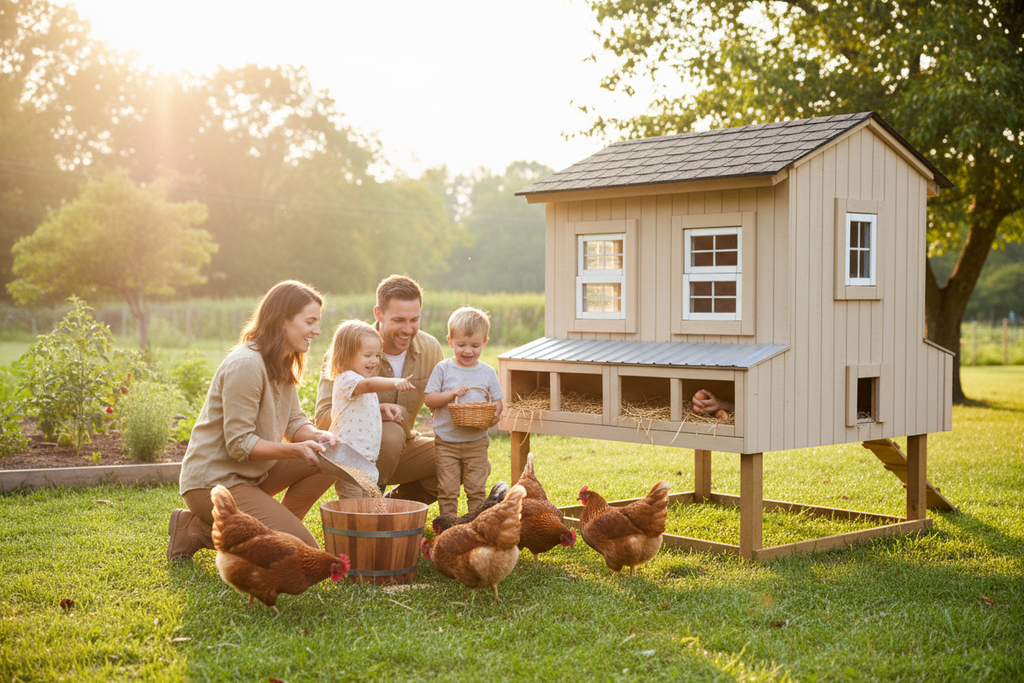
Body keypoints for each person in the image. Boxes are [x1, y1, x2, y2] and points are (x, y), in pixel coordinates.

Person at [168, 280, 341, 561]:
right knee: (300, 553)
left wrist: (320, 437)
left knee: (331, 456)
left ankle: (276, 523)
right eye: (309, 321)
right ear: (282, 320)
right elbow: (239, 444)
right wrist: (296, 450)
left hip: (252, 476)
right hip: (214, 482)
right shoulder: (246, 365)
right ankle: (194, 529)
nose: (317, 330)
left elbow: (295, 422)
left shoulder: (281, 361)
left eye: (317, 322)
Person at [315, 275, 444, 504]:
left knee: (463, 458)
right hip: (356, 455)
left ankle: (394, 506)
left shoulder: (431, 347)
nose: (408, 329)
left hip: (406, 447)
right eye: (399, 320)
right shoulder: (346, 354)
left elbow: (440, 405)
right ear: (378, 314)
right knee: (392, 433)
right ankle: (368, 502)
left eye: (414, 319)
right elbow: (323, 419)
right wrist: (373, 414)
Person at [423, 307, 504, 517]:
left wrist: (493, 416)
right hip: (446, 442)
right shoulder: (443, 369)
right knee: (447, 490)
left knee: (476, 489)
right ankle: (448, 529)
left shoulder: (487, 371)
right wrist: (450, 394)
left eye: (475, 345)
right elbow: (429, 398)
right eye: (461, 345)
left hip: (476, 441)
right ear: (450, 342)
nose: (468, 351)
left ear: (484, 343)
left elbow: (497, 402)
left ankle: (473, 527)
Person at [325, 320, 415, 464]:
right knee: (353, 487)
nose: (374, 361)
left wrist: (381, 407)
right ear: (346, 355)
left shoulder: (358, 381)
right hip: (349, 455)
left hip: (363, 455)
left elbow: (356, 409)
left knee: (365, 487)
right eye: (368, 356)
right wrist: (395, 382)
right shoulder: (348, 379)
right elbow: (369, 385)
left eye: (377, 355)